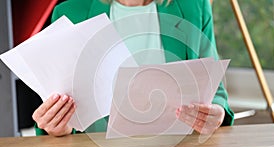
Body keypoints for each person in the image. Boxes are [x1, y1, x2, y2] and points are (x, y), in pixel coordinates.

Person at [32, 0, 234, 137]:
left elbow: (215, 91)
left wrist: (216, 113)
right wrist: (58, 125)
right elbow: (60, 104)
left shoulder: (194, 7)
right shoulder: (70, 12)